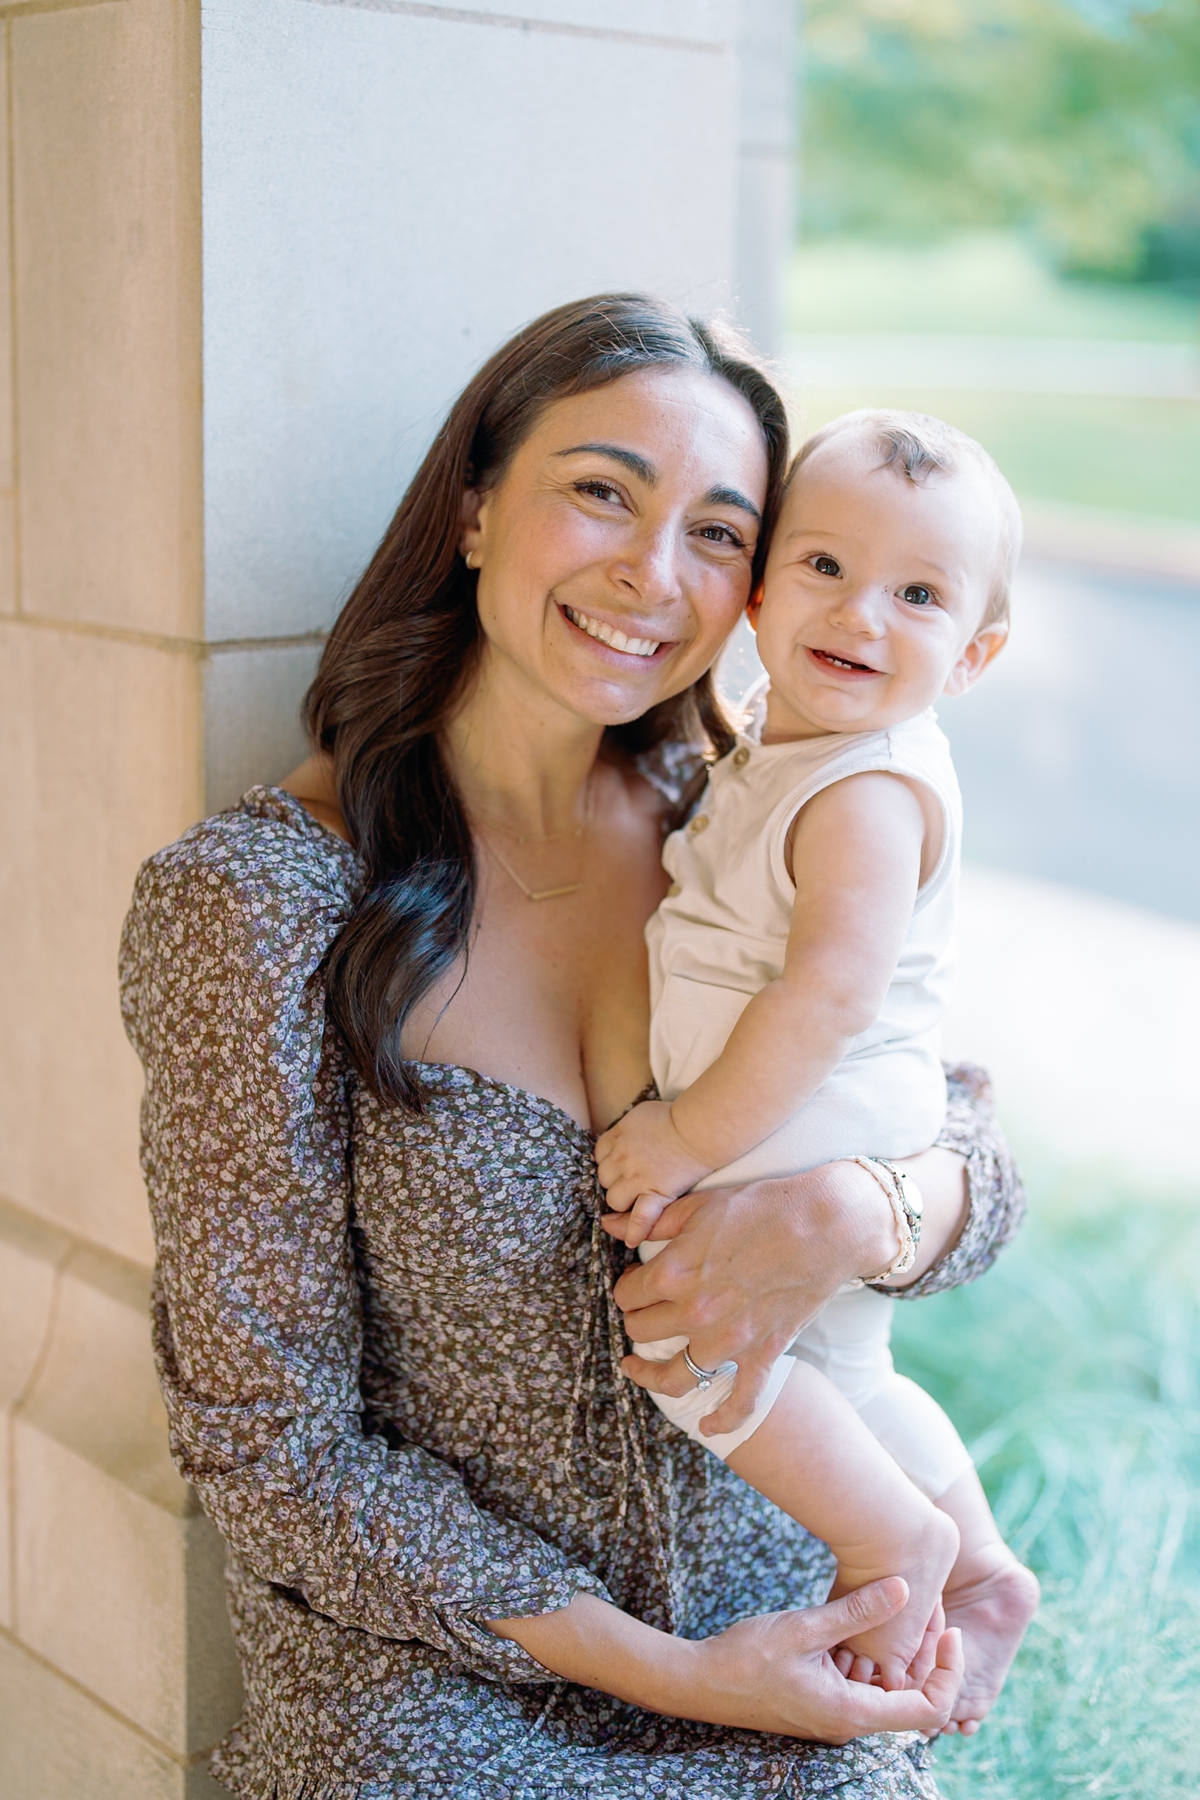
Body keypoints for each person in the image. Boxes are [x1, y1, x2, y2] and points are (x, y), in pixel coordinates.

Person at [119, 295, 1028, 1798]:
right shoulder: (263, 908)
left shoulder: (737, 810)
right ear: (475, 511)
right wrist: (669, 1672)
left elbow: (976, 1162)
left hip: (800, 1620)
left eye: (721, 533)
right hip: (458, 1692)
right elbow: (269, 1452)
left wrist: (854, 1213)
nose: (653, 574)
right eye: (603, 491)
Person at [596, 409, 1040, 1728]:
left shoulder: (867, 789)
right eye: (827, 568)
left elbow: (828, 994)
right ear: (761, 589)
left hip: (806, 1107)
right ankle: (978, 1568)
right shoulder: (785, 744)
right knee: (841, 1369)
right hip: (816, 1110)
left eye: (919, 593)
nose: (863, 613)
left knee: (685, 1341)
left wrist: (685, 1138)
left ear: (976, 654)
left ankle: (887, 1549)